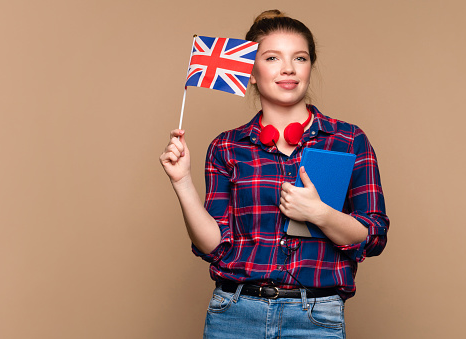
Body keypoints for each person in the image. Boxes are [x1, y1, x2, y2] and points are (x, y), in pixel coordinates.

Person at [159, 9, 389, 339]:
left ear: (311, 66)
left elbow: (374, 234)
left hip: (316, 318)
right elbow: (214, 246)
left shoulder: (348, 141)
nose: (288, 69)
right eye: (271, 58)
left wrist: (319, 214)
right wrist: (182, 182)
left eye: (300, 58)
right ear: (250, 71)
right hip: (235, 314)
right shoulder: (227, 146)